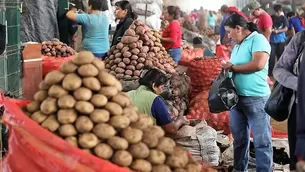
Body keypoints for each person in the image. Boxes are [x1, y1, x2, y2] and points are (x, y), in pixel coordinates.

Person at [222, 13, 273, 172]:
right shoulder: (237, 45)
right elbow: (233, 67)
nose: (228, 36)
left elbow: (258, 64)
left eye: (229, 31)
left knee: (262, 141)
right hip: (237, 99)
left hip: (256, 98)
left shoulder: (258, 40)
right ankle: (239, 169)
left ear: (239, 28)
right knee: (239, 140)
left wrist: (233, 68)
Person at [273, 30, 305, 171]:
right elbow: (279, 69)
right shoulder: (301, 39)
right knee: (298, 161)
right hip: (300, 110)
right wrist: (300, 84)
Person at [127, 68, 189, 134]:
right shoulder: (155, 99)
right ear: (154, 85)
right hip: (144, 137)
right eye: (162, 87)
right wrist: (180, 120)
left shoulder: (128, 94)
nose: (162, 91)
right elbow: (171, 129)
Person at [269, 4, 289, 76]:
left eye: (279, 11)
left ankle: (280, 72)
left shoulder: (284, 18)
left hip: (281, 40)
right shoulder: (271, 17)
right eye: (276, 12)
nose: (278, 13)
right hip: (272, 40)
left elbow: (286, 28)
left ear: (281, 11)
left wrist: (277, 31)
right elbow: (268, 26)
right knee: (271, 57)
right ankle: (270, 72)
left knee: (280, 56)